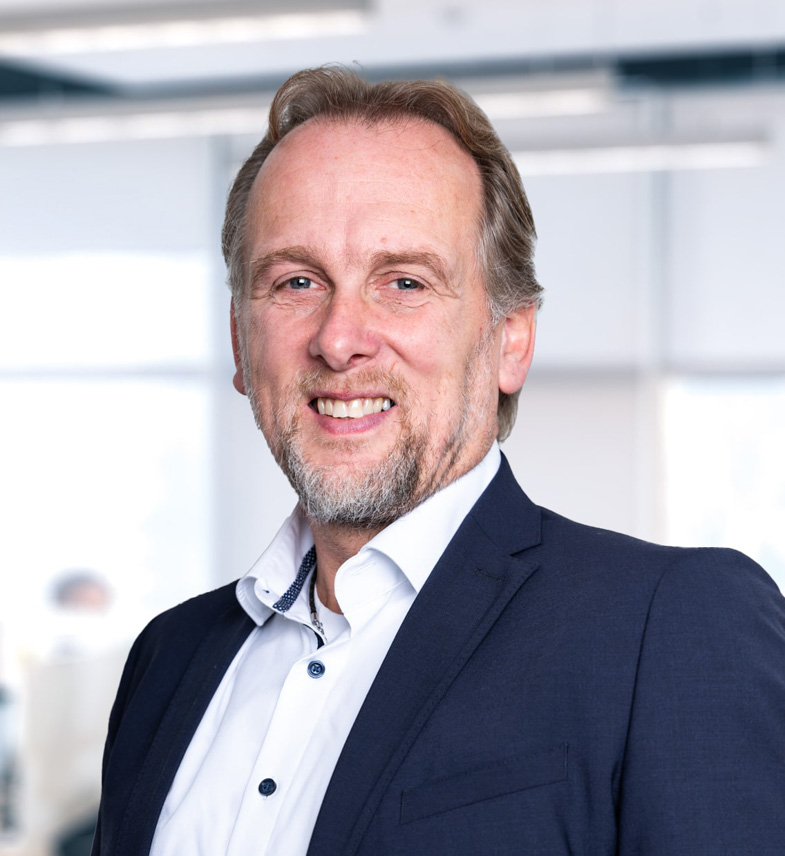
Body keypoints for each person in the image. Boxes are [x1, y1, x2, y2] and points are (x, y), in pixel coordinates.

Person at [92, 67, 785, 856]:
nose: (338, 338)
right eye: (296, 281)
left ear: (509, 341)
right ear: (240, 343)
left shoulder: (667, 625)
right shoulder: (169, 658)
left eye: (404, 282)